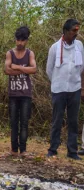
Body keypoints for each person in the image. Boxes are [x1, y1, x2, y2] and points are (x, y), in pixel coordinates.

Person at [46, 19, 84, 160]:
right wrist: (57, 81)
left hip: (75, 88)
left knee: (73, 121)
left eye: (77, 30)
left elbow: (82, 68)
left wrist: (82, 87)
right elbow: (49, 70)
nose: (76, 33)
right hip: (58, 89)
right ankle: (53, 149)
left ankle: (72, 151)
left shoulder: (79, 46)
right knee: (57, 120)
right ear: (66, 31)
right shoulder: (55, 47)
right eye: (74, 30)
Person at [4, 26, 37, 156]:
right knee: (13, 122)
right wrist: (25, 68)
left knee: (24, 122)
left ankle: (23, 150)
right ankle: (13, 149)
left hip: (25, 94)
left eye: (22, 40)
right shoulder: (9, 53)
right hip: (13, 93)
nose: (20, 43)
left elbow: (34, 69)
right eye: (18, 40)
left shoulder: (30, 53)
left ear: (26, 40)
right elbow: (7, 70)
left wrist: (16, 66)